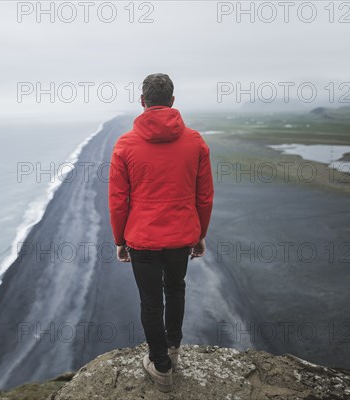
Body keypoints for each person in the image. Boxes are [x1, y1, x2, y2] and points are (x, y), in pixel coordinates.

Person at [108, 73, 214, 392]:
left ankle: (161, 367)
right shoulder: (195, 141)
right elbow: (204, 196)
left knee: (151, 302)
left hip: (142, 238)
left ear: (143, 102)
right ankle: (173, 348)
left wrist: (119, 240)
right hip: (182, 236)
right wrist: (200, 234)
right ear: (171, 101)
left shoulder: (125, 144)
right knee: (176, 288)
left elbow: (117, 201)